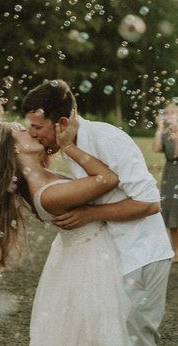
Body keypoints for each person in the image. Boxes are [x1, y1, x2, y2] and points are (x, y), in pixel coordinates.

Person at [22, 79, 173, 346]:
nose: (33, 134)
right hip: (114, 257)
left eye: (37, 127)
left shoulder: (107, 139)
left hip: (141, 254)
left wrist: (91, 214)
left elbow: (150, 204)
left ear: (62, 124)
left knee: (137, 338)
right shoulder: (70, 146)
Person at [0, 119, 131, 345]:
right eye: (24, 131)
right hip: (89, 262)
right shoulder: (46, 194)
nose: (32, 132)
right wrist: (68, 146)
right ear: (15, 147)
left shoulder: (43, 176)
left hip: (85, 254)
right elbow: (108, 179)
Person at [153, 102, 178, 262]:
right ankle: (175, 251)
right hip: (170, 175)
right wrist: (160, 128)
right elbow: (156, 148)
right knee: (172, 213)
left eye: (172, 112)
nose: (168, 115)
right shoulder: (166, 132)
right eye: (166, 112)